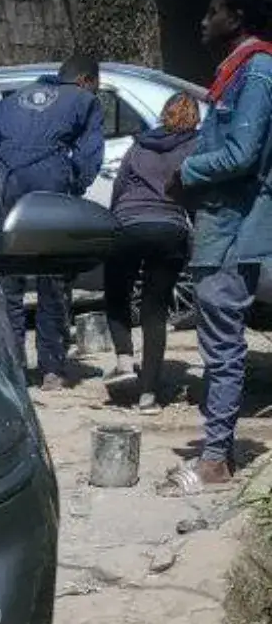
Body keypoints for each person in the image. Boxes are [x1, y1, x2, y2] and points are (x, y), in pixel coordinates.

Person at [162, 0, 272, 494]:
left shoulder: (256, 72)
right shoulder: (237, 72)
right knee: (218, 343)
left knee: (223, 346)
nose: (203, 22)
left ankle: (215, 461)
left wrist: (187, 171)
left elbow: (242, 152)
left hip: (234, 230)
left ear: (238, 15)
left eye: (213, 11)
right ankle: (216, 450)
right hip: (221, 227)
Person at [0, 54, 105, 389]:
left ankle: (14, 367)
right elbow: (90, 156)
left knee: (10, 282)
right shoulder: (85, 101)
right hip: (51, 186)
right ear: (85, 81)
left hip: (8, 186)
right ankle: (52, 368)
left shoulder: (10, 101)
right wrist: (74, 184)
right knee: (53, 279)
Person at [102, 91, 197, 412]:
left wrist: (115, 221)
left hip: (129, 224)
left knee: (117, 293)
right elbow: (197, 190)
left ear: (164, 114)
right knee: (154, 309)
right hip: (170, 229)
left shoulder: (139, 144)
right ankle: (148, 396)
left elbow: (119, 187)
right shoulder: (196, 146)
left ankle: (124, 360)